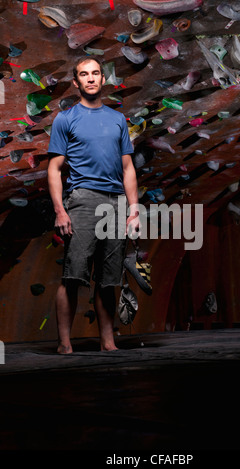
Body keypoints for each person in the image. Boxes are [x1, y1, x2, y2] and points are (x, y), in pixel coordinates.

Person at [47, 56, 140, 354]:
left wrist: (134, 210)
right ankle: (64, 342)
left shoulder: (117, 119)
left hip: (115, 203)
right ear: (76, 82)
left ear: (103, 79)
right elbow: (54, 169)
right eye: (84, 74)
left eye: (95, 73)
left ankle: (108, 341)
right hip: (82, 199)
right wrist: (60, 210)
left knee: (108, 279)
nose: (90, 78)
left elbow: (128, 168)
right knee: (73, 275)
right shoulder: (66, 119)